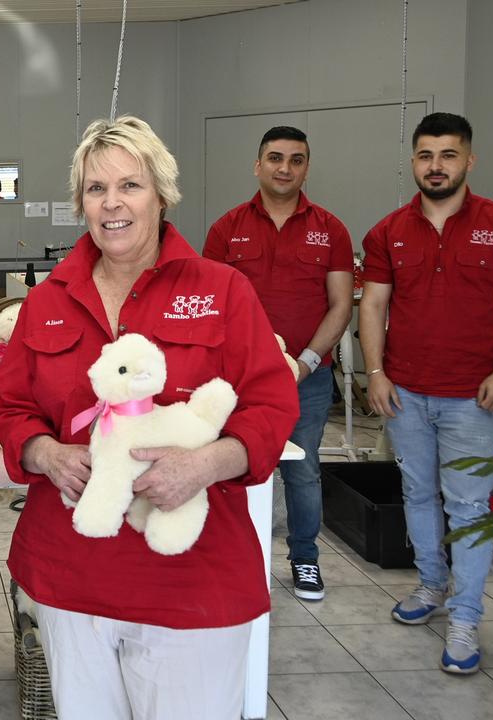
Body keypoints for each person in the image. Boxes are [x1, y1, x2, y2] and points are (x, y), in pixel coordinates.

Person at [0, 116, 298, 719]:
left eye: (129, 186)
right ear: (80, 202)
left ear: (161, 192)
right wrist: (44, 453)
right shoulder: (49, 299)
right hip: (72, 574)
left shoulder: (223, 289)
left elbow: (271, 405)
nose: (112, 204)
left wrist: (207, 462)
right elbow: (12, 408)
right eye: (95, 189)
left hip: (192, 576)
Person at [359, 112, 493, 674]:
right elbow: (373, 305)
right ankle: (432, 587)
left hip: (473, 397)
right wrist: (376, 374)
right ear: (414, 162)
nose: (436, 166)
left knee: (468, 506)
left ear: (469, 160)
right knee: (417, 495)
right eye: (426, 156)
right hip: (406, 391)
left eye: (448, 155)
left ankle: (465, 614)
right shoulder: (388, 230)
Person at [203, 126, 353, 601]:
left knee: (301, 469)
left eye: (295, 159)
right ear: (258, 164)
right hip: (238, 380)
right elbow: (209, 305)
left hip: (306, 378)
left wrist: (305, 363)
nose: (284, 168)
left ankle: (305, 559)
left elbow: (341, 304)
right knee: (231, 464)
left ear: (307, 166)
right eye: (275, 158)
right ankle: (228, 557)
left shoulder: (331, 229)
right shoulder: (227, 229)